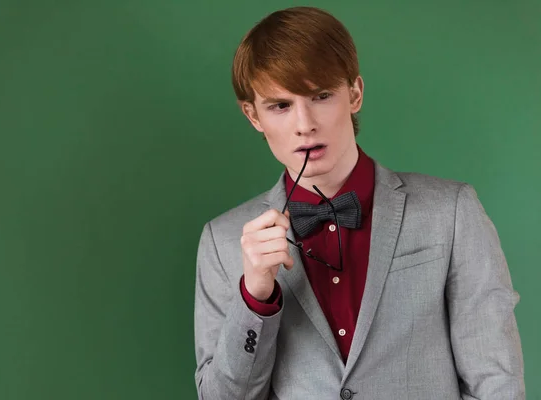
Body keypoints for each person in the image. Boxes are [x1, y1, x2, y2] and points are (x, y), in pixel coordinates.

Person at [193, 6, 525, 399]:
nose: (304, 123)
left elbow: (497, 382)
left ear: (354, 94)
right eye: (280, 105)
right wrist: (256, 296)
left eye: (321, 95)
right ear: (253, 116)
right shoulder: (222, 241)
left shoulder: (451, 212)